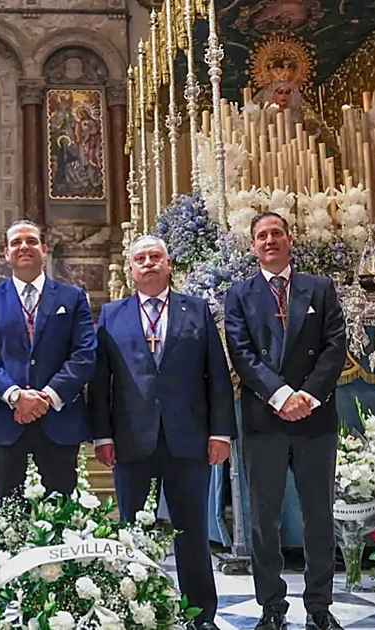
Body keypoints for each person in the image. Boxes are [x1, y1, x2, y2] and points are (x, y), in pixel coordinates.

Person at [89, 235, 235, 630]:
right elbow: (101, 381)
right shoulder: (111, 314)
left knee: (192, 532)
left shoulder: (196, 310)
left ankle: (201, 613)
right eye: (141, 258)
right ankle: (132, 609)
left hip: (188, 438)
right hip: (132, 439)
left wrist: (220, 432)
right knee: (131, 532)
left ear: (168, 265)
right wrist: (102, 436)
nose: (149, 263)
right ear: (131, 269)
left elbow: (216, 375)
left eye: (156, 257)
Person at [223, 212, 347, 630]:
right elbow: (241, 352)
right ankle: (271, 606)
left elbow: (334, 346)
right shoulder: (239, 294)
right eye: (261, 236)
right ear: (253, 246)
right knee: (264, 518)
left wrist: (307, 396)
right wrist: (280, 395)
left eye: (276, 233)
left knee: (318, 515)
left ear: (290, 239)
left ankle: (319, 606)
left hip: (315, 417)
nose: (270, 240)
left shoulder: (320, 288)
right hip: (265, 418)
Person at [0, 220, 96, 501]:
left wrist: (46, 398)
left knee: (60, 520)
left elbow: (84, 354)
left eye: (31, 241)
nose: (23, 246)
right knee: (9, 517)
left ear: (44, 249)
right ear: (6, 253)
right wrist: (16, 396)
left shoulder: (71, 297)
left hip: (59, 422)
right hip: (3, 422)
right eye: (16, 242)